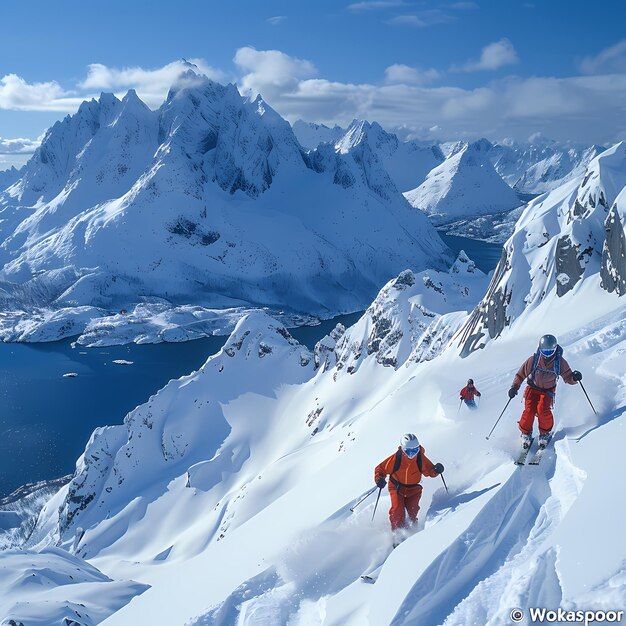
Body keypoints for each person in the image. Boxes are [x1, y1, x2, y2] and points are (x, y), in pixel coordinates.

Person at [508, 334, 582, 449]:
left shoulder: (559, 362)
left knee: (543, 410)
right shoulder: (534, 360)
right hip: (532, 388)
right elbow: (521, 374)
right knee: (529, 410)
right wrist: (514, 387)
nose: (547, 355)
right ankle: (525, 433)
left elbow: (568, 377)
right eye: (545, 352)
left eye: (550, 352)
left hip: (547, 391)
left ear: (555, 349)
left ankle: (545, 433)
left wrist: (574, 378)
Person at [374, 434, 443, 541]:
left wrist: (436, 470)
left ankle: (412, 528)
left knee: (413, 509)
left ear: (418, 448)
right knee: (397, 510)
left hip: (413, 489)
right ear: (402, 448)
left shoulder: (420, 458)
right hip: (397, 487)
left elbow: (430, 471)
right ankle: (397, 534)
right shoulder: (396, 458)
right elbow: (381, 468)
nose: (412, 454)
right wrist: (379, 478)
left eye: (415, 451)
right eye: (408, 451)